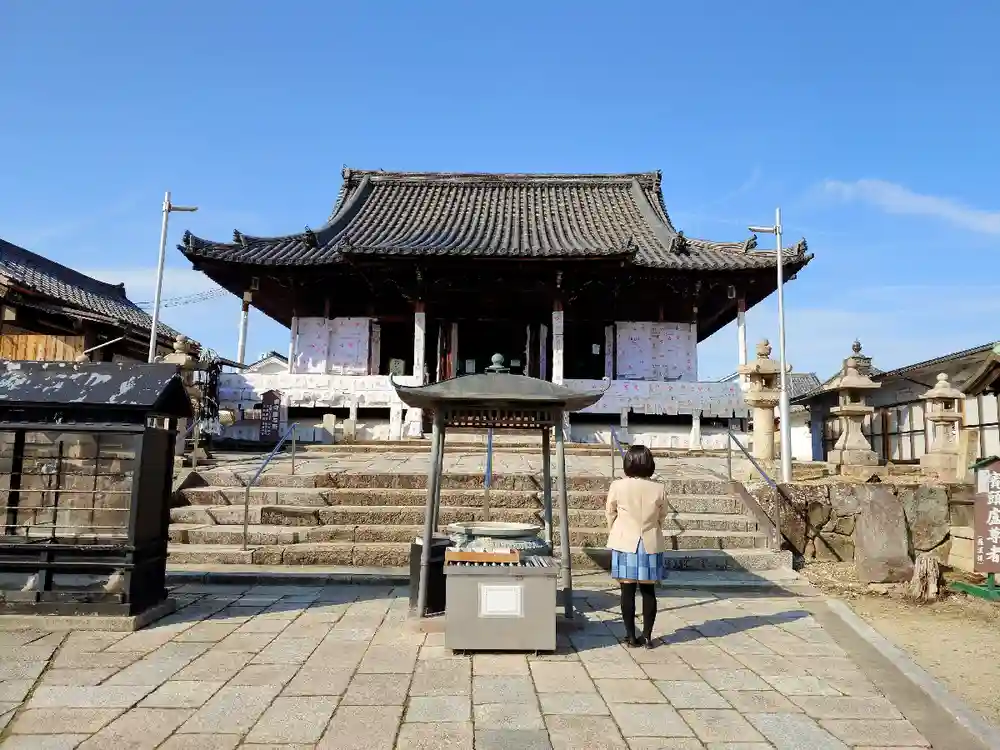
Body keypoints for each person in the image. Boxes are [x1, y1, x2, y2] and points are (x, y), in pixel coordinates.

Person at [605, 444, 666, 648]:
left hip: (624, 541)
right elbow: (662, 515)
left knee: (627, 591)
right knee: (649, 592)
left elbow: (610, 512)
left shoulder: (618, 486)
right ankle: (647, 636)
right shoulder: (659, 488)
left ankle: (631, 636)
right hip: (650, 541)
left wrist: (614, 529)